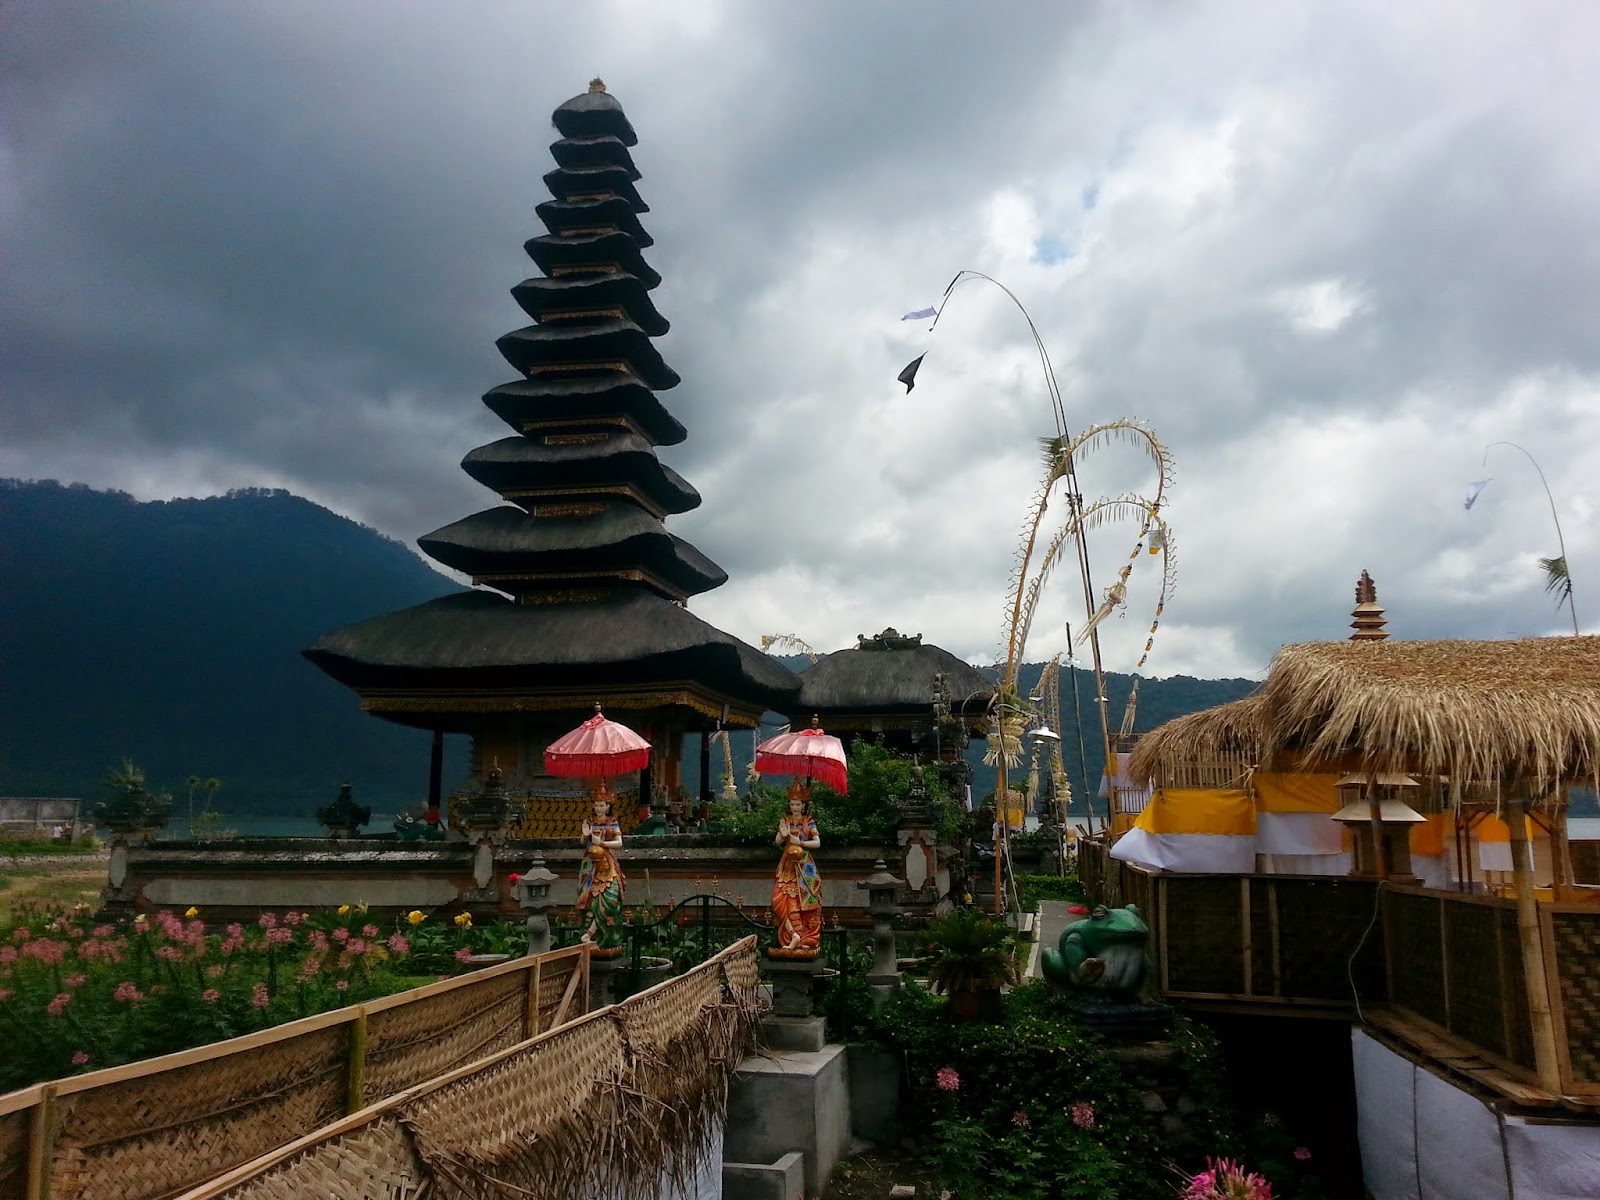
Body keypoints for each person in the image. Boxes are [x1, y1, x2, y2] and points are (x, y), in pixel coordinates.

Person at [771, 785, 823, 951]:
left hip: (803, 865)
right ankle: (793, 934)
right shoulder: (785, 821)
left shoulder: (808, 821)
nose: (794, 807)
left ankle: (801, 936)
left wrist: (800, 842)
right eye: (792, 804)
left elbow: (817, 843)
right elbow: (777, 841)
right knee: (778, 899)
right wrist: (783, 833)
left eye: (798, 804)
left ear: (803, 805)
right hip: (787, 866)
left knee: (800, 902)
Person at [576, 793, 625, 949]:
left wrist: (602, 843)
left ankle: (592, 934)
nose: (598, 808)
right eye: (596, 805)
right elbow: (582, 841)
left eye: (601, 805)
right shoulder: (589, 821)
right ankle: (588, 935)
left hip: (607, 864)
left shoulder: (612, 822)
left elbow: (619, 843)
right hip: (590, 865)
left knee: (610, 898)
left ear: (608, 807)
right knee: (590, 900)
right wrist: (585, 835)